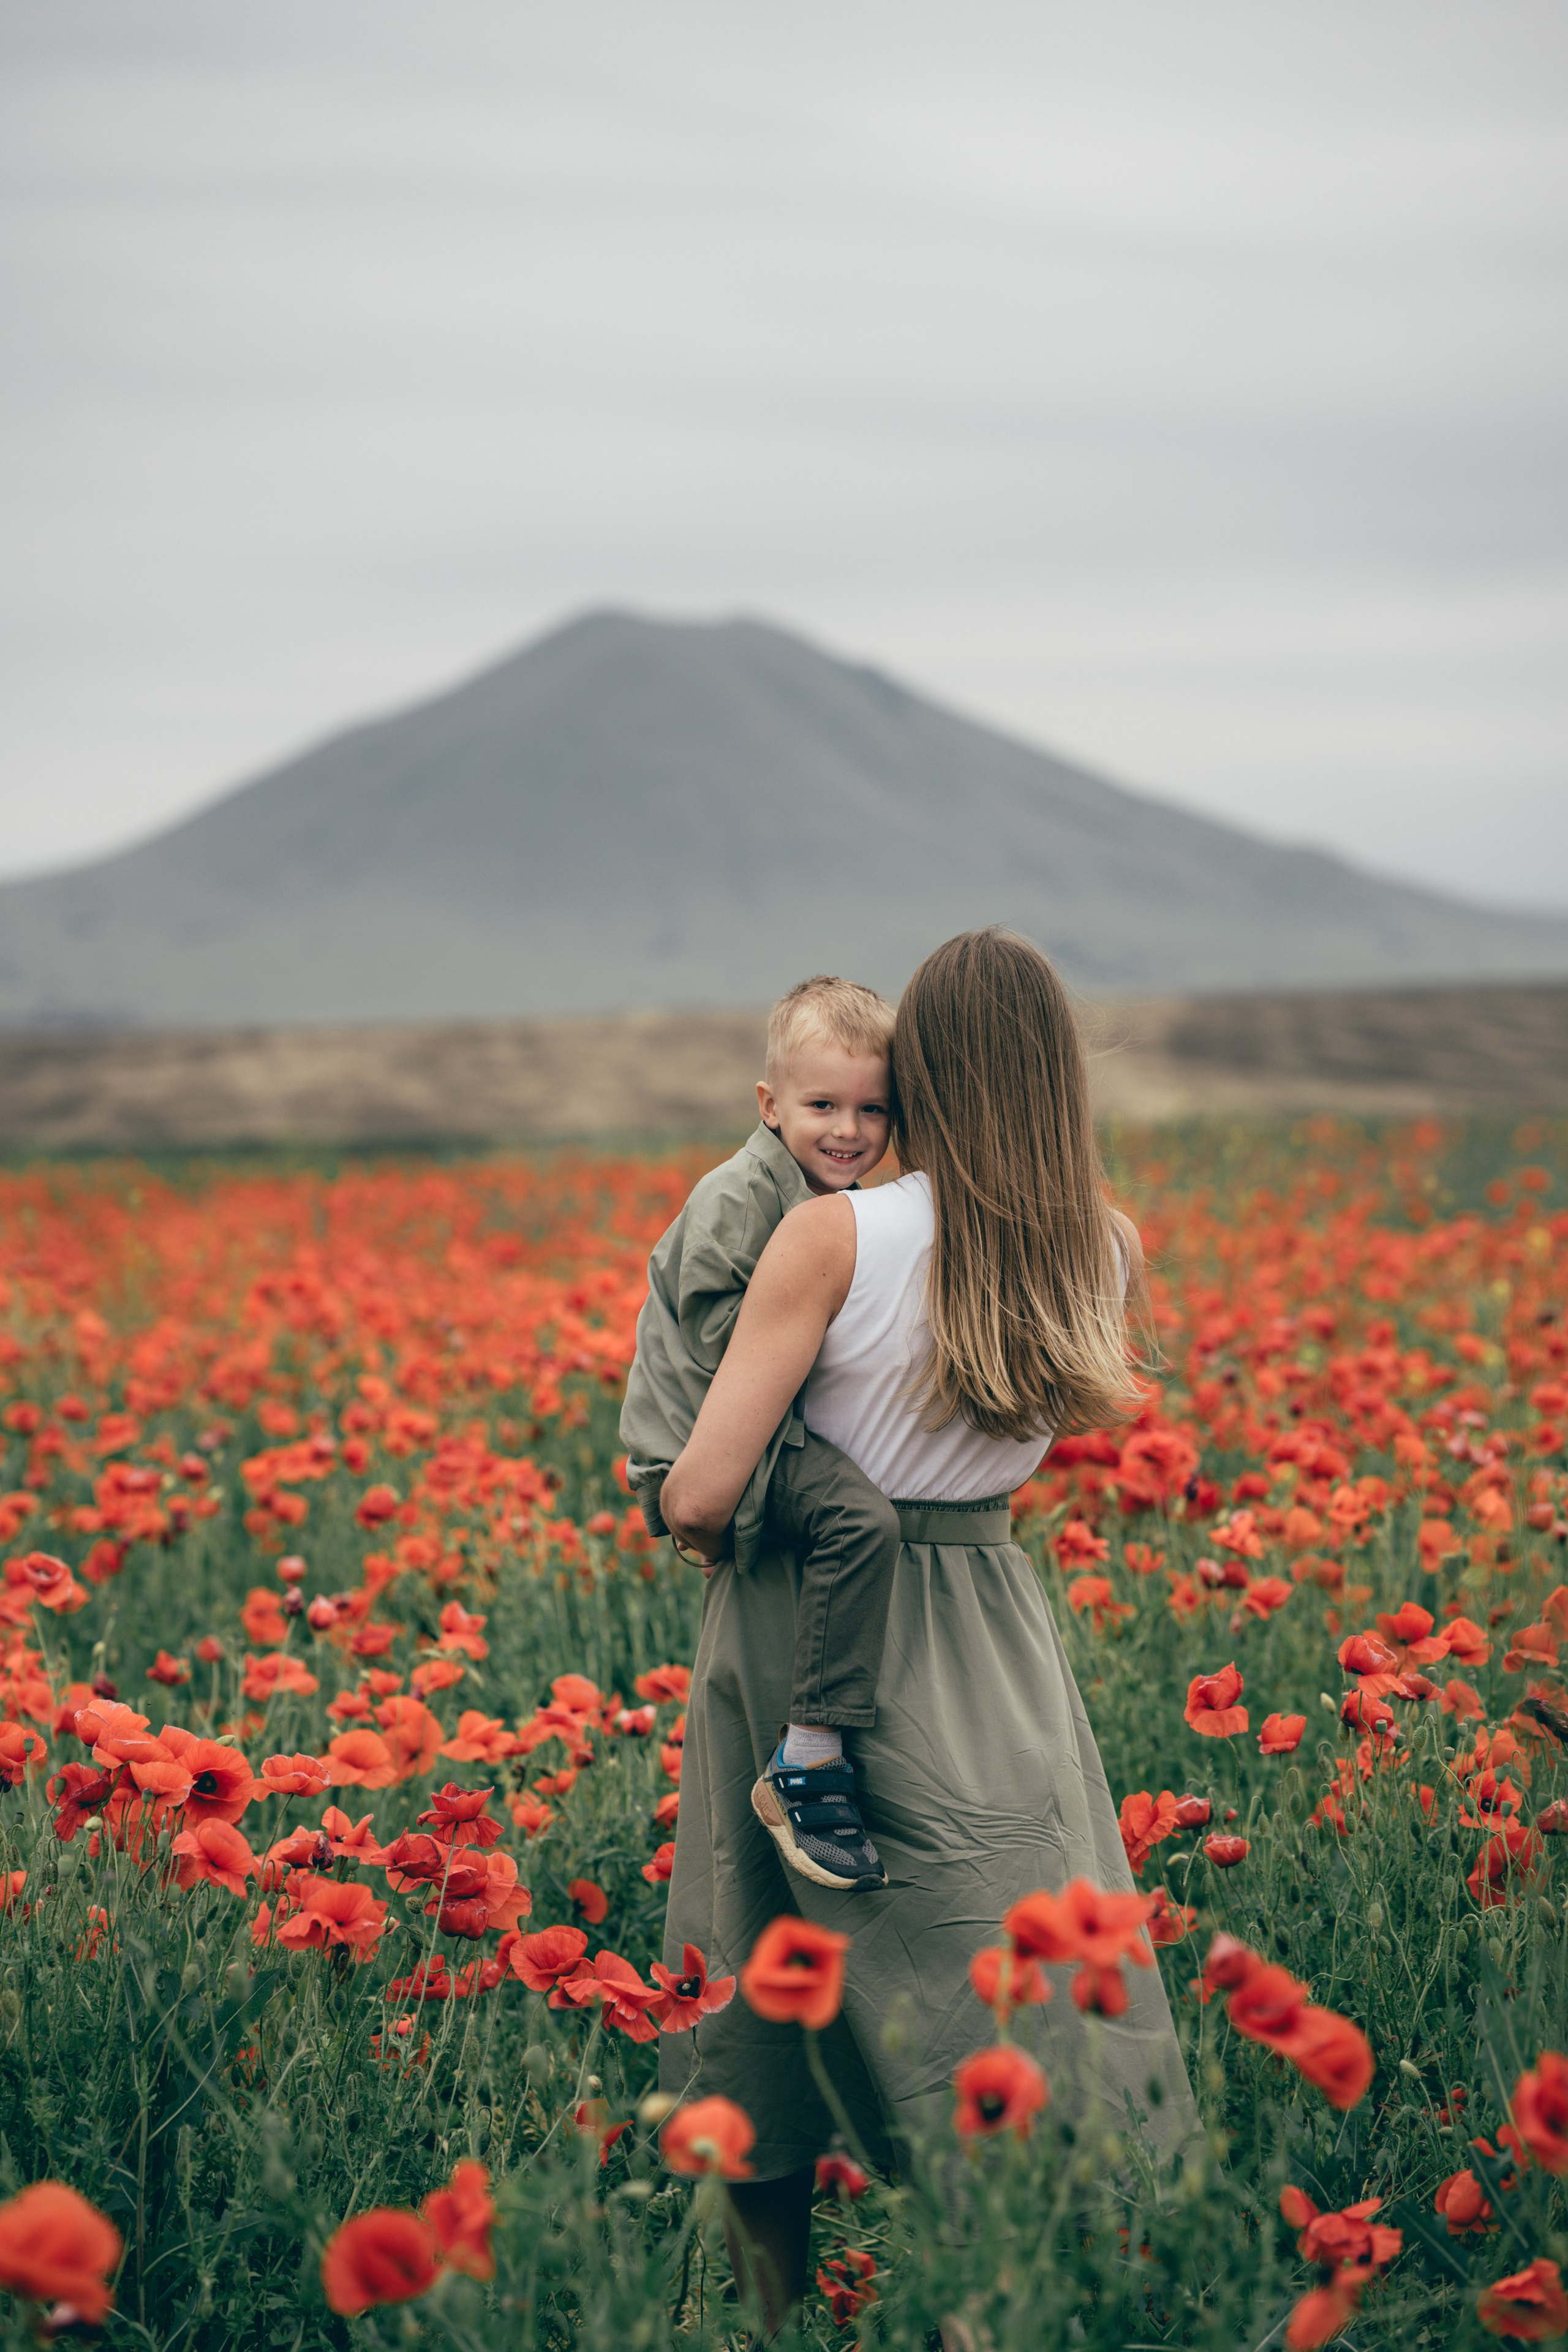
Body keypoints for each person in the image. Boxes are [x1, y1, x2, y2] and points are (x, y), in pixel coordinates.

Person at [658, 929, 1197, 2331]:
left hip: (802, 1622)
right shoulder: (1104, 1244)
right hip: (989, 1628)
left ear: (923, 1075)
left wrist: (699, 1521)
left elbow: (702, 1488)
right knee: (999, 1981)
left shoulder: (833, 1233)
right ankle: (1004, 2308)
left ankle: (773, 2323)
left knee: (763, 1992)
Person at [620, 974, 905, 1893]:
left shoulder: (834, 1198)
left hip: (751, 1435)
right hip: (701, 1446)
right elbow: (723, 1342)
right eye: (823, 1105)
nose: (848, 1130)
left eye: (872, 1109)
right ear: (769, 1104)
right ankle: (808, 1757)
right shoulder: (738, 1197)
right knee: (860, 1520)